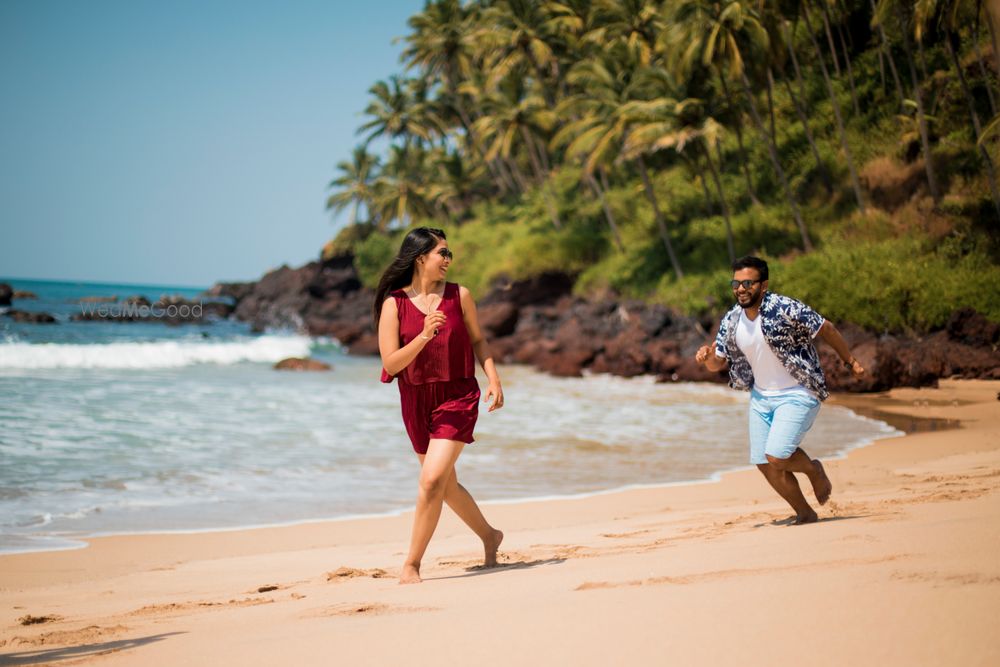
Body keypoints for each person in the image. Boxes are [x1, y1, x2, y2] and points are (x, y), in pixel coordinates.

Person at [375, 227, 504, 583]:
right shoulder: (394, 304)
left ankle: (411, 564)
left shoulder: (459, 295)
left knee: (431, 481)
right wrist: (424, 335)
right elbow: (390, 364)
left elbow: (479, 340)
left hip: (457, 396)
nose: (448, 260)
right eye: (442, 253)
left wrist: (493, 377)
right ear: (421, 258)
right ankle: (490, 535)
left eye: (449, 254)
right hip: (416, 399)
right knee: (444, 485)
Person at [695, 256, 865, 524]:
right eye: (736, 283)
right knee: (763, 463)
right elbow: (718, 363)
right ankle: (805, 512)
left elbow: (826, 328)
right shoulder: (732, 319)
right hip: (761, 397)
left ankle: (814, 470)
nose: (741, 289)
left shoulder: (784, 307)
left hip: (799, 392)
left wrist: (850, 361)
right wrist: (707, 358)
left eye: (748, 283)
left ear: (763, 285)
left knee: (776, 456)